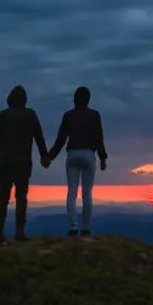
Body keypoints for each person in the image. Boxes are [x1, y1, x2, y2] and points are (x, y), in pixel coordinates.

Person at [0, 84, 50, 244]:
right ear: (24, 100)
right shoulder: (30, 115)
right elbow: (39, 136)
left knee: (2, 199)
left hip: (6, 163)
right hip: (23, 163)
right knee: (21, 198)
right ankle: (20, 232)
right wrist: (44, 156)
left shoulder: (2, 116)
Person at [48, 86, 107, 237]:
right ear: (88, 100)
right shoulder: (94, 115)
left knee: (72, 192)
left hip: (72, 154)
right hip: (88, 154)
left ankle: (73, 226)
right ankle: (85, 228)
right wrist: (103, 158)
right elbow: (99, 138)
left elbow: (61, 139)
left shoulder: (68, 115)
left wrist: (50, 157)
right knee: (87, 193)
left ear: (75, 99)